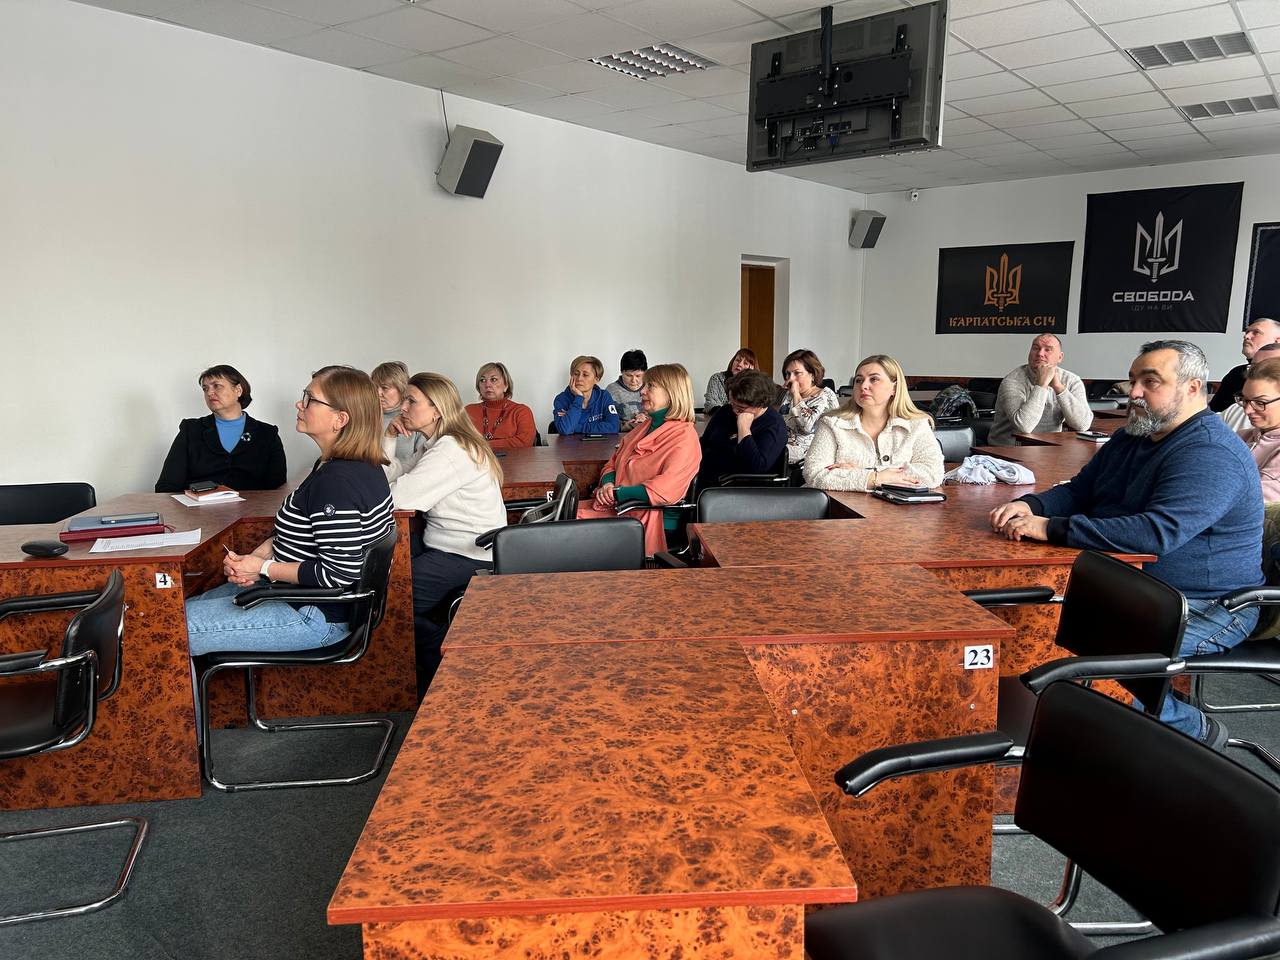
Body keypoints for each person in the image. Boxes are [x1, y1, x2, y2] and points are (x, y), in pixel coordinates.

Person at [989, 340, 1263, 750]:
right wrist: (1032, 504)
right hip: (1133, 589)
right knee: (1039, 630)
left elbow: (1156, 534)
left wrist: (1052, 528)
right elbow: (1081, 490)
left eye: (1150, 382)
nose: (1134, 392)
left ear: (1193, 388)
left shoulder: (1211, 451)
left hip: (1208, 605)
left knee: (1087, 660)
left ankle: (1191, 730)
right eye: (1133, 380)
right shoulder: (1134, 434)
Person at [185, 367, 394, 656]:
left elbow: (338, 574)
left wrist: (262, 569)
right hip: (295, 596)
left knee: (170, 629)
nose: (299, 404)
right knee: (176, 612)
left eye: (310, 399)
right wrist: (260, 556)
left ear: (340, 419)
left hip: (315, 614)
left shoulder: (337, 482)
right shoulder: (347, 465)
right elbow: (301, 534)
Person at [386, 372, 507, 693]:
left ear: (437, 410)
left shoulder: (450, 450)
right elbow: (393, 475)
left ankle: (444, 669)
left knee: (390, 598)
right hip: (454, 549)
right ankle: (438, 656)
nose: (402, 407)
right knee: (386, 584)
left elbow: (397, 498)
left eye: (411, 401)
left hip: (467, 555)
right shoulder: (437, 444)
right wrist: (388, 438)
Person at [576, 363, 701, 555]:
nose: (642, 391)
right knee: (564, 514)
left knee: (568, 529)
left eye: (650, 386)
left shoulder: (685, 438)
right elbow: (614, 462)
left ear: (671, 393)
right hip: (620, 507)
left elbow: (664, 491)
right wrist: (608, 484)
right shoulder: (644, 427)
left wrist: (616, 493)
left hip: (652, 518)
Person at [803, 355, 943, 491]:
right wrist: (875, 478)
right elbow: (814, 473)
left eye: (874, 379)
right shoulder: (832, 423)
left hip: (897, 506)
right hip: (840, 505)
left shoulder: (917, 424)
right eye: (858, 380)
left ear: (894, 388)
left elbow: (933, 473)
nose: (863, 385)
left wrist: (866, 473)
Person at [155, 364, 287, 493]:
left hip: (251, 507)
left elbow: (277, 489)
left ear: (238, 390)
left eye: (216, 386)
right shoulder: (190, 430)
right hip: (199, 506)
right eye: (205, 389)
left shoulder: (268, 434)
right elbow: (167, 486)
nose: (209, 393)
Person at [987, 333, 1092, 446]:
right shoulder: (1013, 380)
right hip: (1007, 450)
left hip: (1049, 449)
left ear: (1060, 357)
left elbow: (1083, 425)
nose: (1040, 354)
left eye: (1048, 349)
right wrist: (1042, 385)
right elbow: (1024, 426)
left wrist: (1059, 387)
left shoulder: (1072, 380)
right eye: (1035, 348)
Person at [698, 370, 787, 487]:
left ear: (760, 405)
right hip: (706, 477)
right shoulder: (725, 411)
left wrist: (744, 429)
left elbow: (756, 467)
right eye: (732, 403)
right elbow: (704, 443)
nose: (734, 410)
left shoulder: (774, 425)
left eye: (741, 408)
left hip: (737, 486)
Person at [780, 348, 839, 464]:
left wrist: (796, 395)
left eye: (797, 373)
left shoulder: (825, 396)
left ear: (812, 374)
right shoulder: (789, 395)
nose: (791, 379)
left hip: (808, 459)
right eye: (788, 374)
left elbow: (808, 426)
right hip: (784, 451)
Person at [1209, 317, 1280, 414]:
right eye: (1247, 332)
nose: (1246, 336)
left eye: (1256, 332)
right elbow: (1214, 411)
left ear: (1277, 341)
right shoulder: (1236, 373)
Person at [1236, 357, 1280, 502]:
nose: (1247, 410)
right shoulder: (1240, 437)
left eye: (1260, 402)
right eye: (1245, 400)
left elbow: (1256, 499)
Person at [464, 361, 536, 449]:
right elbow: (458, 441)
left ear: (506, 385)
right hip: (475, 458)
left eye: (493, 379)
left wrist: (483, 445)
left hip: (513, 458)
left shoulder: (521, 411)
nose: (487, 385)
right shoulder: (468, 411)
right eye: (482, 380)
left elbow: (525, 442)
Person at [552, 355, 620, 435]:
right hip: (571, 443)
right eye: (576, 374)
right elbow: (565, 429)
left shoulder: (604, 396)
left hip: (598, 443)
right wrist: (579, 398)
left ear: (596, 379)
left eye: (585, 375)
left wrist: (576, 427)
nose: (579, 379)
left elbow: (614, 426)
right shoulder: (561, 399)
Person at [372, 361, 423, 461]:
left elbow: (424, 460)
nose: (378, 393)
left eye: (385, 388)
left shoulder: (415, 418)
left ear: (402, 388)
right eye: (375, 387)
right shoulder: (365, 417)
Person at [703, 348, 758, 415]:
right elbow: (710, 404)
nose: (740, 364)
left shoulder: (755, 385)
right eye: (737, 360)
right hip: (719, 417)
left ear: (751, 368)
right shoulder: (717, 378)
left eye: (745, 363)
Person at [606, 349, 648, 430]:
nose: (634, 380)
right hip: (623, 434)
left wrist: (646, 418)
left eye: (638, 376)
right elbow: (606, 420)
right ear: (622, 372)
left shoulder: (652, 388)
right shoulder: (611, 390)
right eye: (629, 375)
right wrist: (625, 426)